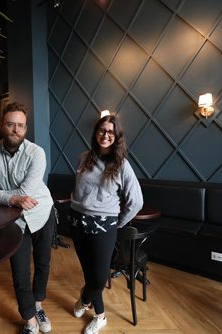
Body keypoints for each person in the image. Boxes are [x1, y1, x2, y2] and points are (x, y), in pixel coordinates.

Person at [0, 102, 55, 334]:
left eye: (20, 126)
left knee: (43, 263)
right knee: (19, 271)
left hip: (42, 212)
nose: (15, 130)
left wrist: (1, 195)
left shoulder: (37, 153)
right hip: (14, 220)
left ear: (26, 129)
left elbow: (24, 192)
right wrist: (13, 200)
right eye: (11, 124)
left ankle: (38, 305)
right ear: (2, 125)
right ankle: (30, 320)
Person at [69, 114, 143, 334]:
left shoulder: (122, 165)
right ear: (96, 133)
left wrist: (118, 222)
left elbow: (136, 201)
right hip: (77, 221)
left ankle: (83, 300)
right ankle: (100, 317)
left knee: (100, 278)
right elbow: (80, 189)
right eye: (102, 130)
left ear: (117, 136)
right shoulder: (84, 157)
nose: (105, 135)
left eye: (111, 132)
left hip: (104, 225)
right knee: (89, 272)